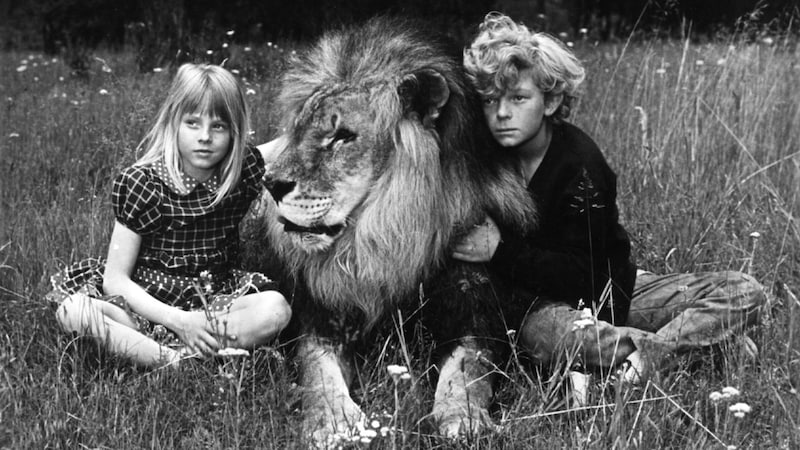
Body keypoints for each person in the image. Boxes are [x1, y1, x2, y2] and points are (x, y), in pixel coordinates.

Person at [455, 12, 765, 393]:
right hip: (538, 309)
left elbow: (583, 274)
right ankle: (706, 347)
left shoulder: (581, 164)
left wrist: (500, 251)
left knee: (744, 289)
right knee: (553, 338)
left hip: (610, 290)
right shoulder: (484, 154)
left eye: (519, 98)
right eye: (490, 100)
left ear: (550, 102)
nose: (502, 114)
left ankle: (649, 355)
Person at [47, 63, 291, 368]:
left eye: (218, 126)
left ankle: (179, 351)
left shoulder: (241, 173)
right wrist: (180, 321)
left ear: (234, 132)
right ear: (173, 123)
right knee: (73, 311)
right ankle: (172, 361)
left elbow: (284, 144)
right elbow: (115, 280)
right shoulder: (142, 184)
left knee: (276, 309)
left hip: (212, 304)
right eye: (192, 123)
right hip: (143, 307)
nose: (205, 137)